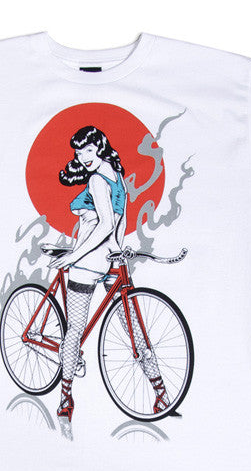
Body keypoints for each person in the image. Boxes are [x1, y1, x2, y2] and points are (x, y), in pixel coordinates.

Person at [49, 126, 169, 422]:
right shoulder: (103, 179)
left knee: (130, 328)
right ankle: (66, 397)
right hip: (89, 261)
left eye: (88, 150)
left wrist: (112, 248)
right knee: (79, 330)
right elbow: (107, 224)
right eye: (79, 152)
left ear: (100, 148)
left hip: (103, 259)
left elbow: (114, 224)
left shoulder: (111, 178)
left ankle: (161, 392)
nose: (83, 157)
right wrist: (75, 256)